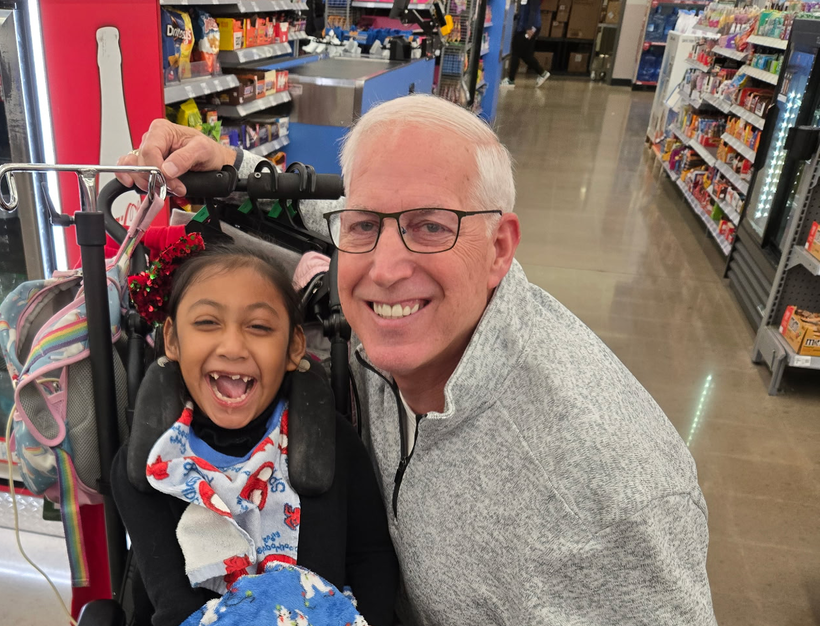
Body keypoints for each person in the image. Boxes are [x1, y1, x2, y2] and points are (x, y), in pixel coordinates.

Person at [116, 94, 717, 625]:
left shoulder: (609, 494)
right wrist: (234, 166)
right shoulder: (411, 318)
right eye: (365, 226)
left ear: (500, 247)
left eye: (432, 227)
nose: (385, 268)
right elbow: (338, 215)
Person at [110, 245, 398, 626]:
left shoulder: (332, 445)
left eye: (259, 327)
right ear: (173, 341)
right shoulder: (153, 467)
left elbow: (371, 557)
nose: (232, 347)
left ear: (295, 347)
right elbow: (175, 606)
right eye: (207, 322)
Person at [502, 0, 551, 87]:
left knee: (516, 51)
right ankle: (542, 73)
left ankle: (511, 80)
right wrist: (518, 16)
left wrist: (529, 28)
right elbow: (525, 8)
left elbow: (533, 10)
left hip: (528, 28)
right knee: (526, 55)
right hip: (526, 26)